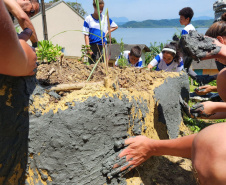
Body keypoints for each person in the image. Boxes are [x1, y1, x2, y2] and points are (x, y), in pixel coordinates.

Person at [108, 13, 226, 185]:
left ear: (220, 41)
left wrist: (152, 147)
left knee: (211, 151)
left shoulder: (179, 63)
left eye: (215, 56)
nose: (215, 59)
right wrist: (210, 109)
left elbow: (210, 143)